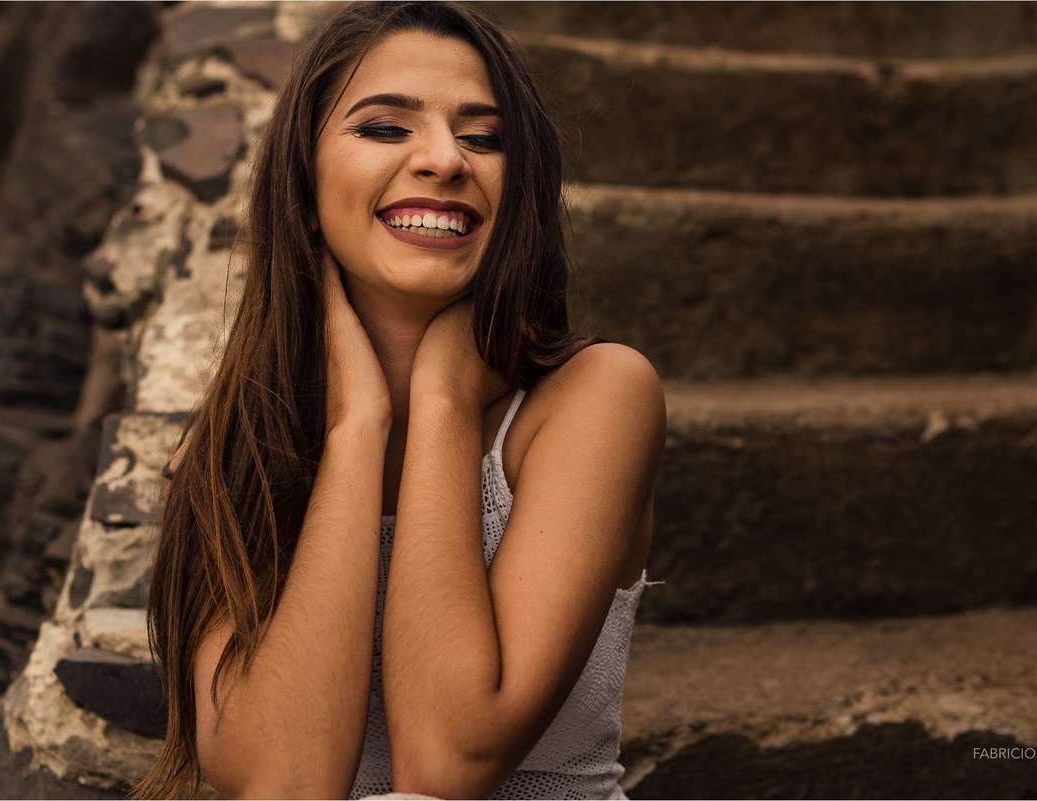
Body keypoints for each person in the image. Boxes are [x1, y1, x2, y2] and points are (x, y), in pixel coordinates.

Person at [134, 2, 666, 799]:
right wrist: (359, 428)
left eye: (485, 137)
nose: (445, 159)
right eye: (385, 128)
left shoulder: (596, 398)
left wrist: (446, 403)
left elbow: (449, 764)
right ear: (304, 180)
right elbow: (281, 784)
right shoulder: (237, 443)